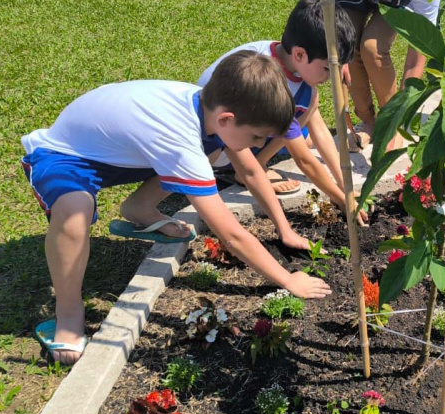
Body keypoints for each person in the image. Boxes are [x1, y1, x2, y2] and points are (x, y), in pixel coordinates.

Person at [21, 51, 332, 365]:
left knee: (206, 151)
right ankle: (68, 312)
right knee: (76, 212)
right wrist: (287, 279)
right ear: (227, 119)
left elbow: (251, 171)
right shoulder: (180, 138)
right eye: (256, 136)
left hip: (114, 153)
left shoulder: (208, 111)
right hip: (62, 155)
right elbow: (232, 235)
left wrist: (284, 228)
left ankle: (140, 207)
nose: (257, 145)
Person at [199, 0, 369, 226]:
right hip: (218, 148)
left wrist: (345, 185)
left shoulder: (286, 57)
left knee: (310, 105)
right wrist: (342, 200)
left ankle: (262, 156)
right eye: (327, 69)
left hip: (236, 129)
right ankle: (249, 167)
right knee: (304, 116)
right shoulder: (272, 85)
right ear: (300, 55)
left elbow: (320, 130)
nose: (330, 77)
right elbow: (304, 160)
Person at [337, 0, 440, 149]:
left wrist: (397, 118)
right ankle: (368, 121)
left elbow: (414, 62)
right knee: (348, 44)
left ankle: (390, 122)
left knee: (372, 48)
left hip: (400, 3)